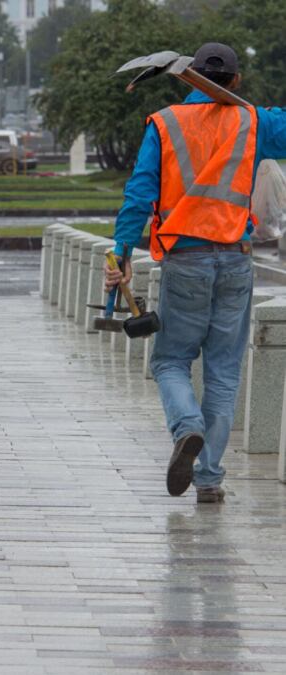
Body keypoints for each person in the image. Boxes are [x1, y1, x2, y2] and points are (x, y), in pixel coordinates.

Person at [106, 43, 286, 503]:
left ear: (189, 78)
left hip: (185, 260)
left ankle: (187, 428)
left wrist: (123, 251)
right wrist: (258, 114)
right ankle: (208, 480)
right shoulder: (254, 122)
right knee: (223, 373)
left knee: (170, 360)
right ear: (236, 81)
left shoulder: (164, 124)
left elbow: (140, 192)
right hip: (235, 258)